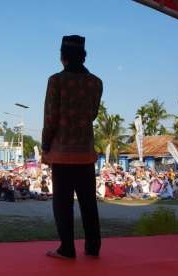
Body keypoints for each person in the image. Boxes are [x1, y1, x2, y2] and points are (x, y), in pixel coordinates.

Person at [42, 35, 102, 259]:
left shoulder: (56, 80)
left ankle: (67, 248)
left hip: (62, 153)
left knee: (62, 203)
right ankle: (93, 247)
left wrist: (46, 144)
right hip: (86, 152)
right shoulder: (96, 82)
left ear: (62, 56)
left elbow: (51, 117)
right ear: (83, 56)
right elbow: (93, 114)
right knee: (88, 203)